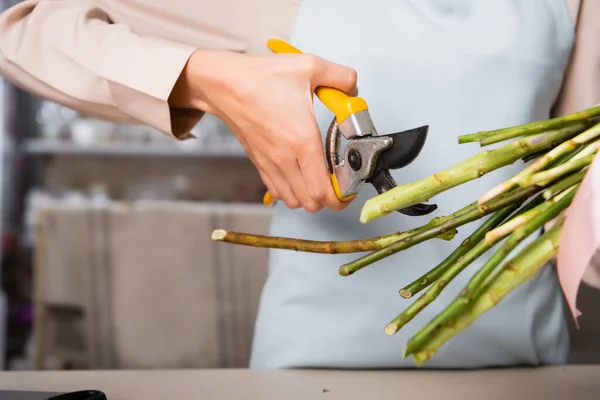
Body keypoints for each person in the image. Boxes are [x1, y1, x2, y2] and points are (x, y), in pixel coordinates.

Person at [0, 0, 599, 369]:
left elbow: (580, 205)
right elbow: (25, 32)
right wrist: (206, 79)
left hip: (527, 371)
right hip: (308, 374)